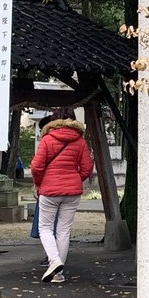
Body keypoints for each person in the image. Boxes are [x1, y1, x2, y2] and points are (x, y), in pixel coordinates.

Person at [28, 117, 93, 283]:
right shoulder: (80, 142)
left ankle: (54, 260)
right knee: (64, 230)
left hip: (49, 190)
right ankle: (58, 274)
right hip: (72, 192)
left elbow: (36, 166)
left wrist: (38, 183)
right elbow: (87, 167)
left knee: (45, 227)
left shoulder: (47, 140)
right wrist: (76, 179)